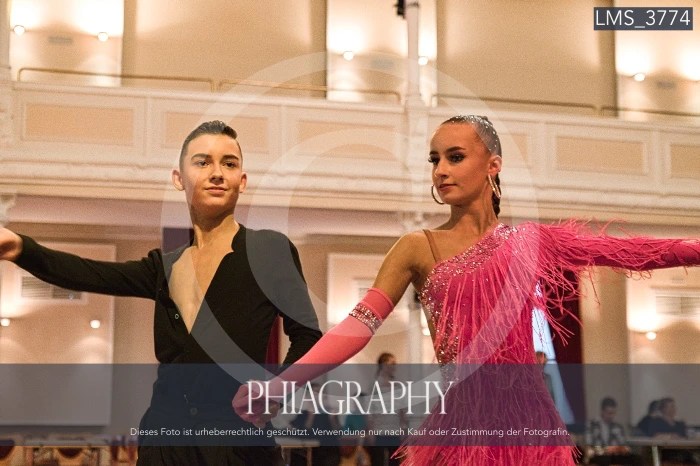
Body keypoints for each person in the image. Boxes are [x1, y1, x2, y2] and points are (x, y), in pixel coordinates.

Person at [233, 115, 700, 465]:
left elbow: (629, 251)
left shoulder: (529, 241)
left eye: (454, 157)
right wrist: (281, 384)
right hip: (460, 425)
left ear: (493, 165)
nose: (440, 169)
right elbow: (359, 325)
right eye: (434, 159)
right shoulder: (417, 246)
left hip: (530, 428)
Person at [0, 120, 322, 465]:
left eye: (229, 163)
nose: (217, 173)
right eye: (203, 162)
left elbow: (308, 336)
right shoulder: (163, 266)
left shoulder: (269, 251)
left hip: (237, 439)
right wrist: (20, 248)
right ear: (179, 178)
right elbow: (89, 273)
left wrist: (276, 388)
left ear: (241, 181)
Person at [365, 352, 407, 466]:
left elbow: (402, 410)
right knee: (378, 461)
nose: (394, 366)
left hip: (395, 431)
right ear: (383, 365)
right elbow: (369, 411)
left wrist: (404, 429)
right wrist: (370, 432)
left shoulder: (398, 386)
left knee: (394, 462)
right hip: (378, 431)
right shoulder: (374, 386)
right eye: (391, 363)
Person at [585, 397, 642, 466]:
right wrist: (605, 449)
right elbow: (588, 445)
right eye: (609, 413)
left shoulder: (618, 427)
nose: (611, 416)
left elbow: (624, 444)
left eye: (613, 413)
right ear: (602, 411)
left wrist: (622, 449)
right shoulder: (592, 425)